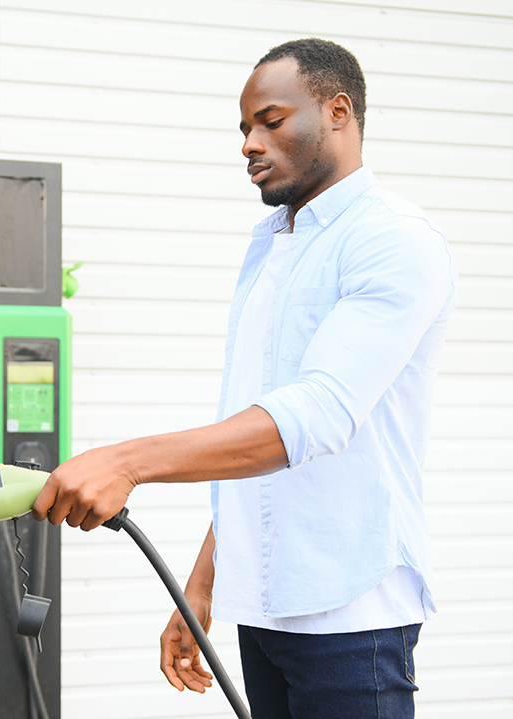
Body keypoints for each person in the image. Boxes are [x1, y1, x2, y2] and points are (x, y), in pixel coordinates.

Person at [31, 38, 456, 719]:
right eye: (245, 128)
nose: (250, 143)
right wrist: (203, 583)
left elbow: (316, 415)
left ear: (338, 111)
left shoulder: (393, 238)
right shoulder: (273, 245)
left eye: (271, 119)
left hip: (351, 616)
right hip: (264, 608)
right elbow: (256, 427)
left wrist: (127, 463)